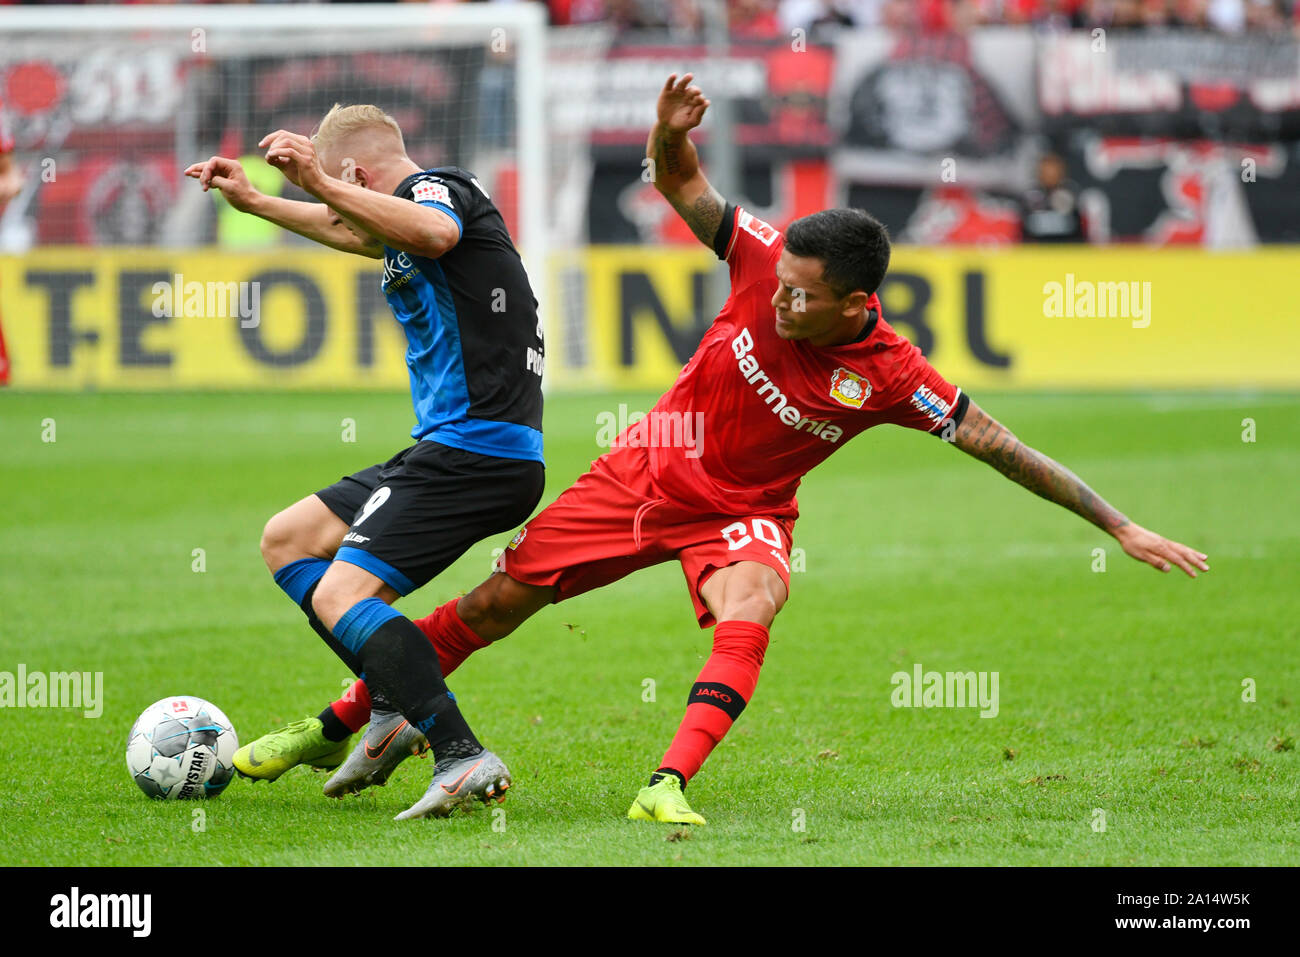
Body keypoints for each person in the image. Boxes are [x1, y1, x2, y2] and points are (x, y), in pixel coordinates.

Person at [244, 75, 1208, 825]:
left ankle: (667, 782)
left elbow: (1002, 447)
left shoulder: (893, 372)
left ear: (855, 303)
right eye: (780, 279)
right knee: (500, 601)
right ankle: (346, 722)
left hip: (744, 506)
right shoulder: (759, 250)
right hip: (645, 465)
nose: (781, 297)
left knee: (753, 597)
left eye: (802, 293)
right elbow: (680, 181)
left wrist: (1117, 522)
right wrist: (669, 131)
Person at [183, 103, 546, 820]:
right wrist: (259, 200)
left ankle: (460, 753)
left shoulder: (437, 190)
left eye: (336, 178)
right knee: (288, 538)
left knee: (341, 595)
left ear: (357, 171)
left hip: (479, 449)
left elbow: (432, 231)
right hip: (451, 446)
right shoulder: (395, 219)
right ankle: (388, 707)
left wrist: (316, 177)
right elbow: (355, 230)